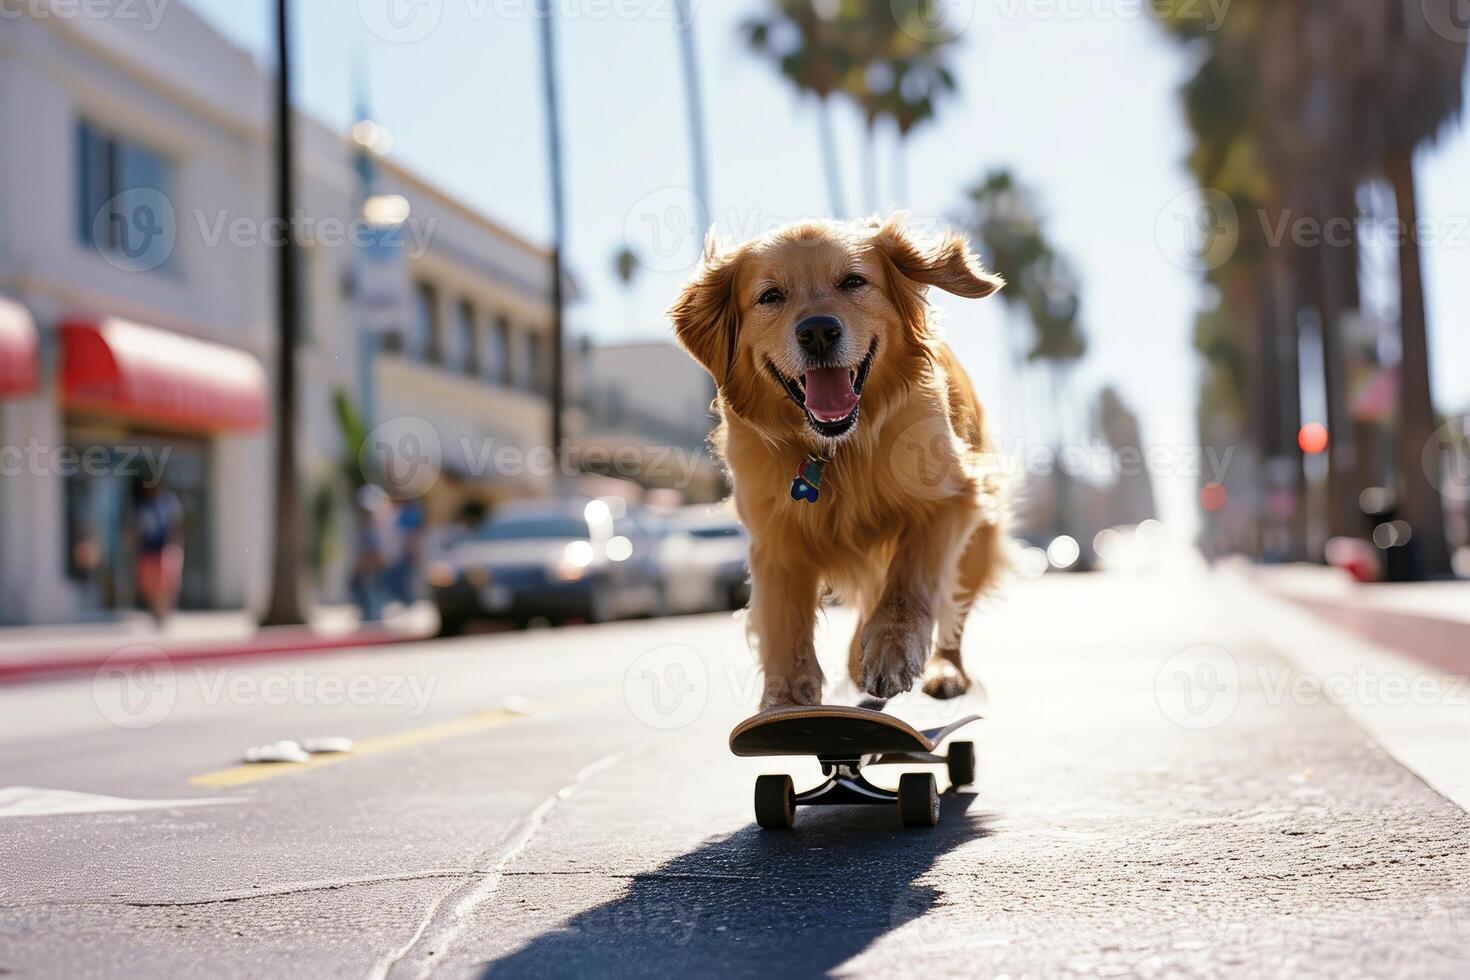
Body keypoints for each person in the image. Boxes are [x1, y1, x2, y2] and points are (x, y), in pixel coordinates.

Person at [133, 479, 183, 625]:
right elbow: (139, 530)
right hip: (149, 549)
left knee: (166, 583)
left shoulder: (169, 504)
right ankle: (156, 611)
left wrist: (174, 544)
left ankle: (164, 611)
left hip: (165, 548)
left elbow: (176, 525)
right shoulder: (144, 508)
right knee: (151, 584)